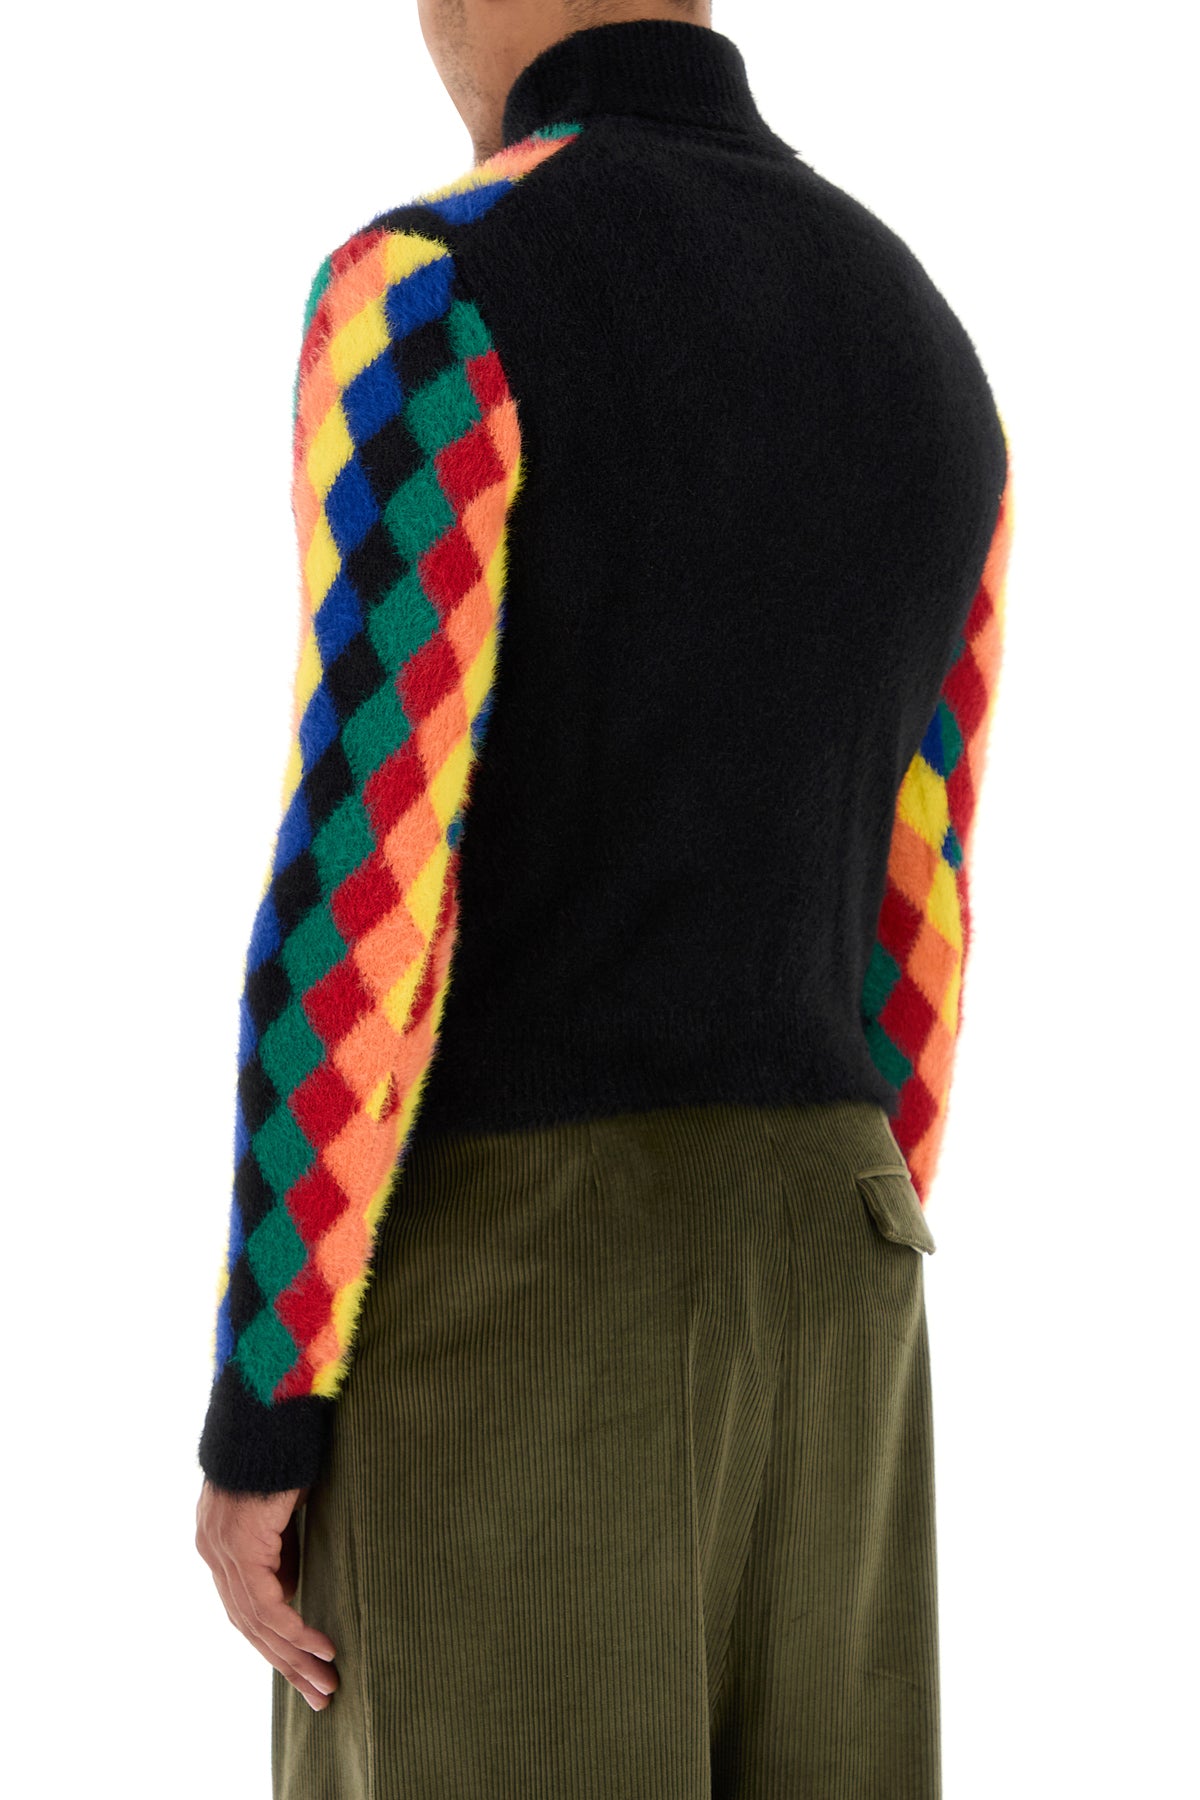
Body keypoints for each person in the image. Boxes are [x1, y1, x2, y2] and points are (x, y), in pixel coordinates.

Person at [194, 1, 1013, 1794]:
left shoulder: (437, 289)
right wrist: (832, 1241)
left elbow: (368, 865)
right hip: (845, 1264)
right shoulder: (919, 328)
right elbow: (923, 897)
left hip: (522, 1288)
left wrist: (268, 1392)